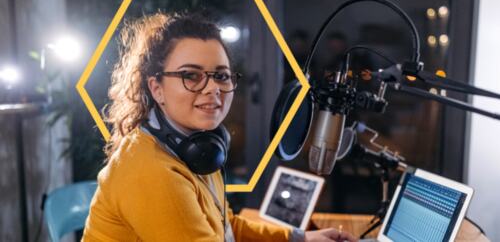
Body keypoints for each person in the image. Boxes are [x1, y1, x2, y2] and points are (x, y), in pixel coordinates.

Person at [82, 12, 357, 242]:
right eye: (191, 75)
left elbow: (227, 229)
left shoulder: (200, 148)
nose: (213, 88)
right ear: (157, 88)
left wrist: (300, 239)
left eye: (221, 76)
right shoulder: (152, 172)